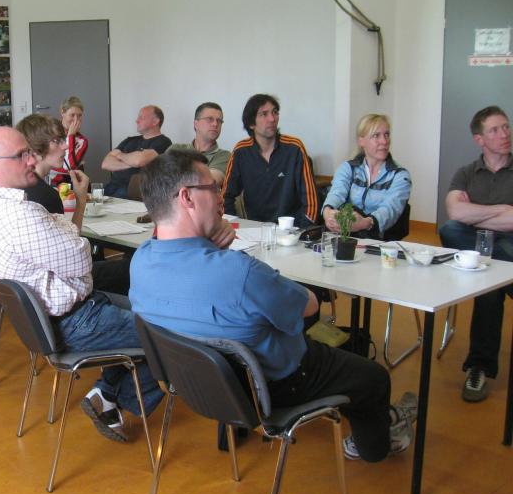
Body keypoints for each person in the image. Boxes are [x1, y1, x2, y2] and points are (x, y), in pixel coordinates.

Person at [130, 148, 418, 461]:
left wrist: (210, 250)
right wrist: (227, 260)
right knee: (374, 378)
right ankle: (375, 447)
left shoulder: (141, 261)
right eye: (213, 189)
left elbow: (197, 281)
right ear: (187, 197)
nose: (220, 198)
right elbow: (309, 306)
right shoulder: (239, 273)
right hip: (277, 385)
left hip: (200, 387)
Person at [0, 126, 163, 442]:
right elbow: (82, 259)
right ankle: (114, 396)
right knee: (169, 332)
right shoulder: (19, 215)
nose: (31, 160)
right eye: (20, 155)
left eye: (29, 152)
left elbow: (72, 248)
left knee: (147, 310)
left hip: (55, 320)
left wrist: (69, 244)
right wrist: (72, 247)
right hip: (75, 322)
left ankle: (105, 395)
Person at [440, 105, 513, 402]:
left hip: (504, 247)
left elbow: (466, 215)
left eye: (506, 127)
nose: (505, 134)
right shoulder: (466, 173)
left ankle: (478, 366)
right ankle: (479, 367)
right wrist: (503, 210)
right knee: (450, 229)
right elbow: (455, 213)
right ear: (479, 139)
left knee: (488, 279)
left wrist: (476, 215)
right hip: (483, 247)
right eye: (495, 130)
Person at [16, 114, 131, 295]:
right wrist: (81, 200)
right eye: (57, 141)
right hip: (59, 284)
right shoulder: (46, 196)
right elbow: (72, 250)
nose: (65, 146)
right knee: (131, 267)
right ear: (36, 150)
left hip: (32, 282)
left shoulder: (18, 185)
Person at [222, 94, 318, 227]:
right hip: (254, 229)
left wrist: (301, 231)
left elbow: (311, 201)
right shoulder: (241, 151)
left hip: (291, 229)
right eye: (264, 114)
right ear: (251, 123)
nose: (272, 119)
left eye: (275, 112)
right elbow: (226, 197)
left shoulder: (294, 148)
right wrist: (235, 226)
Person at [322, 114, 411, 239]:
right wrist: (327, 213)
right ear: (361, 141)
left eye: (386, 134)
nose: (384, 141)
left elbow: (390, 210)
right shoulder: (348, 168)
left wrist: (365, 223)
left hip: (380, 239)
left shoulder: (400, 175)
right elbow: (336, 194)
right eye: (376, 135)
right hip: (346, 236)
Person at [101, 105, 172, 198]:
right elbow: (105, 164)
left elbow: (139, 161)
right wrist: (132, 162)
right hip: (111, 186)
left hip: (133, 190)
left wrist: (119, 155)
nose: (137, 121)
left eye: (141, 117)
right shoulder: (129, 140)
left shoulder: (163, 141)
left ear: (155, 121)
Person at [170, 101, 231, 186]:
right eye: (209, 119)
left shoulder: (225, 156)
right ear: (196, 124)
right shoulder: (175, 149)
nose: (215, 124)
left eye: (219, 121)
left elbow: (208, 182)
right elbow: (158, 177)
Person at [49, 96, 89, 185]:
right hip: (47, 179)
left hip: (66, 182)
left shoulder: (82, 141)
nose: (76, 119)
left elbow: (69, 167)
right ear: (62, 113)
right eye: (72, 115)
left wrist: (71, 136)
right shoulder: (50, 131)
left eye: (79, 115)